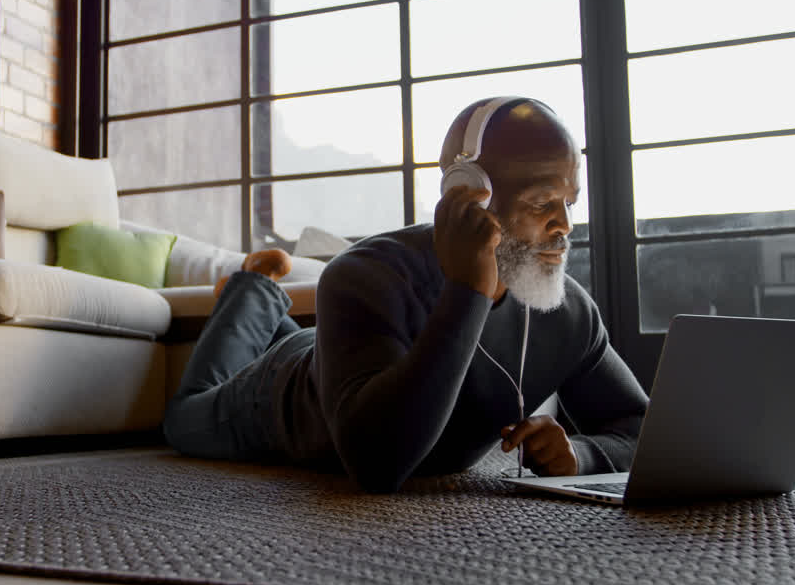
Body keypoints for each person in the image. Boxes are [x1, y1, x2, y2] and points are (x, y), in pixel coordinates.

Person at [163, 97, 649, 493]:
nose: (564, 226)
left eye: (569, 203)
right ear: (470, 193)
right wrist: (469, 288)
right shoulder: (364, 273)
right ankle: (254, 290)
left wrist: (580, 454)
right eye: (542, 202)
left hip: (342, 352)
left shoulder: (568, 312)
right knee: (183, 422)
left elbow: (643, 428)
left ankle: (269, 311)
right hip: (281, 396)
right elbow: (377, 467)